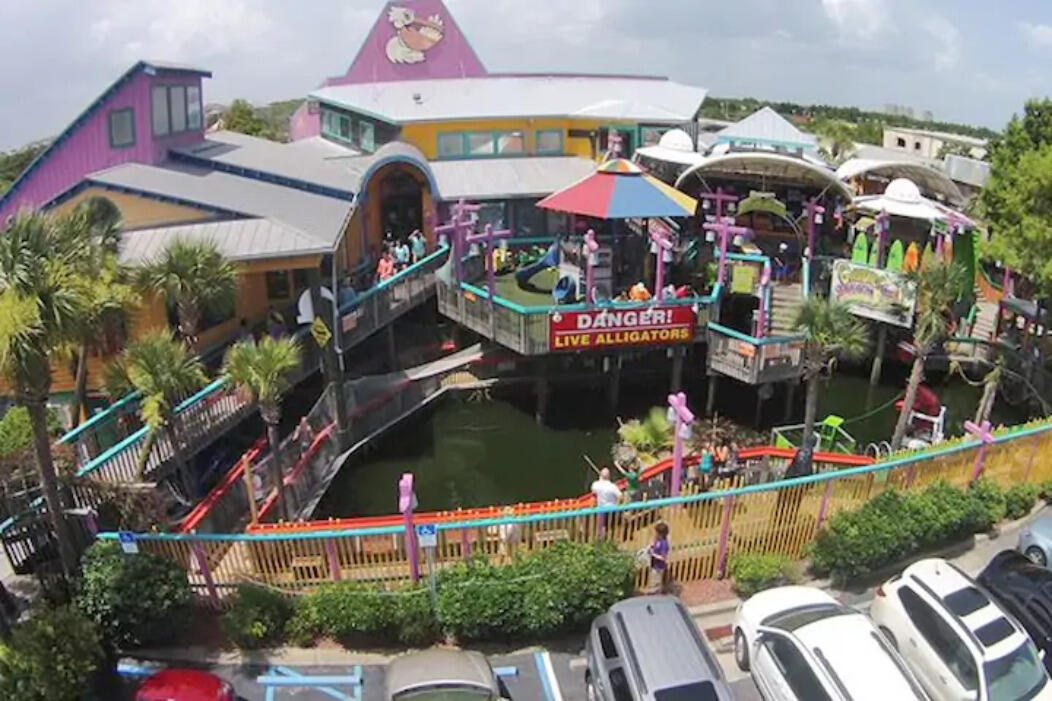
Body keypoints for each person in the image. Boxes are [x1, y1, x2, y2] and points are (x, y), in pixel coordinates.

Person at [645, 522, 670, 594]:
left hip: (659, 567)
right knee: (652, 581)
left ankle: (655, 596)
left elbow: (663, 558)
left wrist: (653, 555)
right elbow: (654, 544)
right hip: (654, 565)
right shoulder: (658, 539)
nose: (655, 533)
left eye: (656, 532)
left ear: (661, 533)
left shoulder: (664, 544)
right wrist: (651, 546)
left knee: (656, 584)